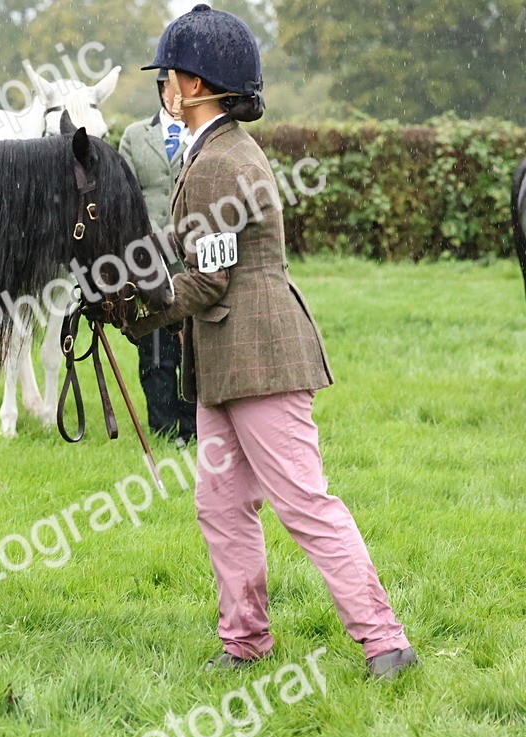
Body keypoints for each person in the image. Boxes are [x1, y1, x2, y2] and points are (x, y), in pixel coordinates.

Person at [114, 4, 416, 680]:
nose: (162, 83)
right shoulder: (210, 153)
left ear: (192, 86)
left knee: (305, 503)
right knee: (220, 504)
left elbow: (210, 279)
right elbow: (183, 243)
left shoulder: (223, 161)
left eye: (168, 74)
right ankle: (245, 642)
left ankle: (386, 641)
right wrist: (120, 270)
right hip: (224, 365)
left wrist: (137, 312)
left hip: (260, 358)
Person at [118, 69, 197, 444]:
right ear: (162, 88)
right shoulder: (134, 136)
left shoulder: (202, 137)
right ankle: (164, 429)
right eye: (172, 85)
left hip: (193, 259)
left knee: (192, 348)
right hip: (147, 261)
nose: (179, 94)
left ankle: (194, 426)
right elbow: (124, 197)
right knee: (155, 352)